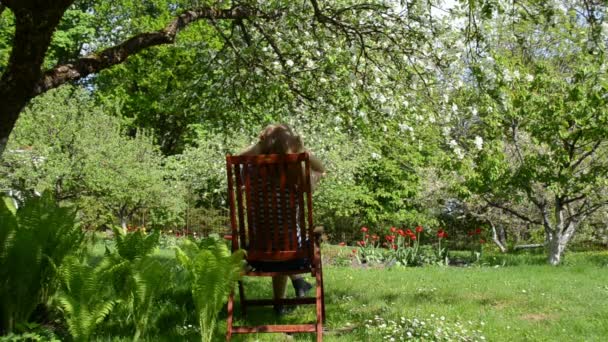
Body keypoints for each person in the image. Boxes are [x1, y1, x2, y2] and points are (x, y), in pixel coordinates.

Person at [239, 124, 325, 314]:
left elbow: (238, 158)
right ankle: (296, 285)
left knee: (274, 238)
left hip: (257, 254)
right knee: (284, 239)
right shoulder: (297, 173)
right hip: (295, 256)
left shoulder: (248, 172)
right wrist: (300, 150)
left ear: (262, 144)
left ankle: (280, 304)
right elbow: (321, 169)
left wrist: (260, 146)